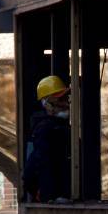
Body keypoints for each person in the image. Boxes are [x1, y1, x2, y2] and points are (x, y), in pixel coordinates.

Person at [23, 75, 71, 203]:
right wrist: (48, 195)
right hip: (55, 199)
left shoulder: (58, 127)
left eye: (65, 98)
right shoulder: (46, 130)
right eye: (59, 99)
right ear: (47, 104)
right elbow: (39, 165)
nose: (65, 103)